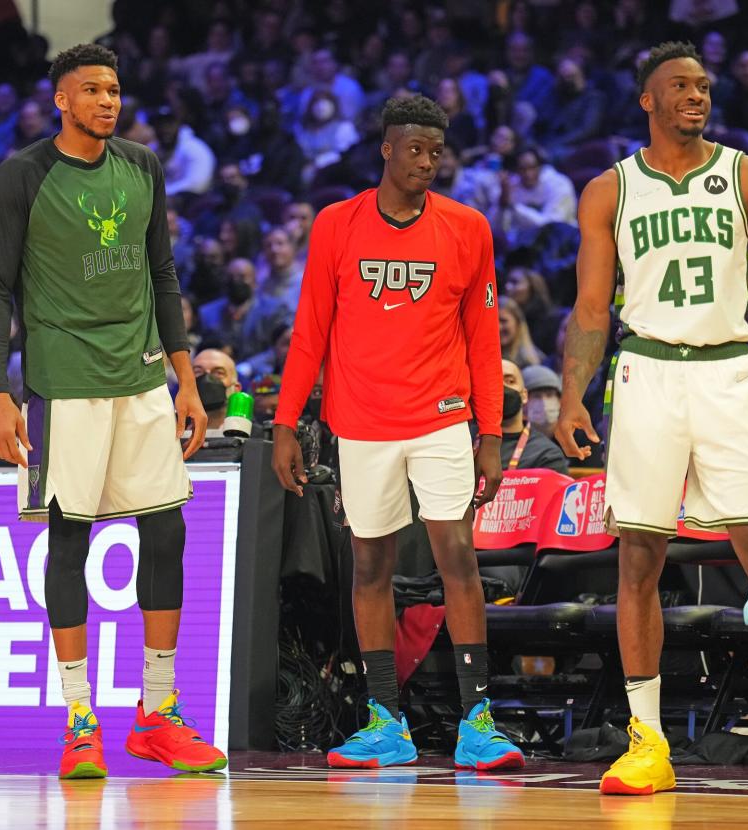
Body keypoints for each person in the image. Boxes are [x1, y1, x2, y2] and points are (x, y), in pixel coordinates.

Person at [556, 42, 748, 796]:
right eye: (679, 86)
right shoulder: (609, 190)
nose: (697, 95)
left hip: (727, 373)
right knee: (638, 557)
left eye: (704, 85)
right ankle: (648, 741)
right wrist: (572, 393)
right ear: (647, 100)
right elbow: (589, 310)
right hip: (644, 370)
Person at [0, 43, 223, 781]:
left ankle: (157, 713)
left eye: (114, 90)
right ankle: (81, 721)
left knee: (167, 530)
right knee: (69, 546)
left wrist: (185, 374)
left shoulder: (143, 167)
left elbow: (162, 272)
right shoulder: (23, 174)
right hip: (64, 382)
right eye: (92, 90)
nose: (108, 101)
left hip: (144, 377)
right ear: (61, 100)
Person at [271, 94, 524, 771]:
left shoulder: (468, 228)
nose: (427, 162)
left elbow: (482, 337)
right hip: (360, 423)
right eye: (415, 149)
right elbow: (310, 331)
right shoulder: (336, 224)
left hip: (442, 417)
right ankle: (386, 721)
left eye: (437, 152)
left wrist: (491, 434)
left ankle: (479, 721)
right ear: (386, 148)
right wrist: (286, 422)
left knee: (457, 559)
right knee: (371, 567)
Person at [501, 359, 568, 472]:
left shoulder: (547, 454)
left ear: (524, 395)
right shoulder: (468, 440)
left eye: (510, 381)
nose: (503, 388)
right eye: (537, 396)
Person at [522, 364, 563, 438]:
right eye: (536, 396)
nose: (544, 402)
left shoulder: (577, 438)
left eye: (549, 395)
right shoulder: (516, 442)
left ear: (559, 401)